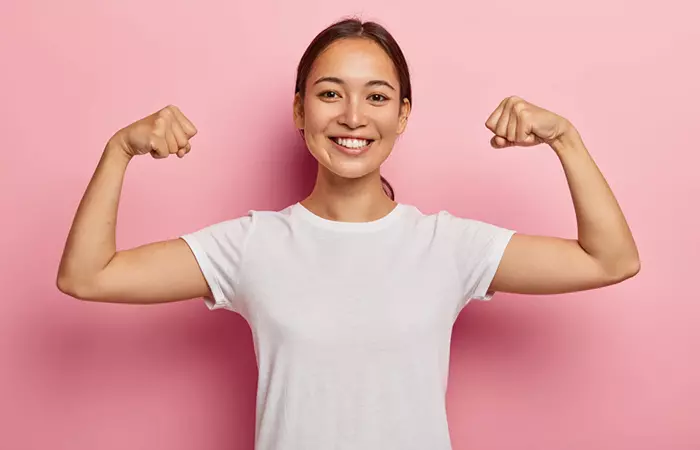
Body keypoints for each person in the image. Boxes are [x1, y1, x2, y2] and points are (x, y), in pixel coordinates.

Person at [56, 17, 640, 450]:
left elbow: (609, 260)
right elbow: (87, 276)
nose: (353, 116)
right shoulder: (251, 246)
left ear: (403, 115)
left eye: (377, 97)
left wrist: (565, 138)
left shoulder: (448, 246)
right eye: (330, 93)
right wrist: (119, 151)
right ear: (299, 110)